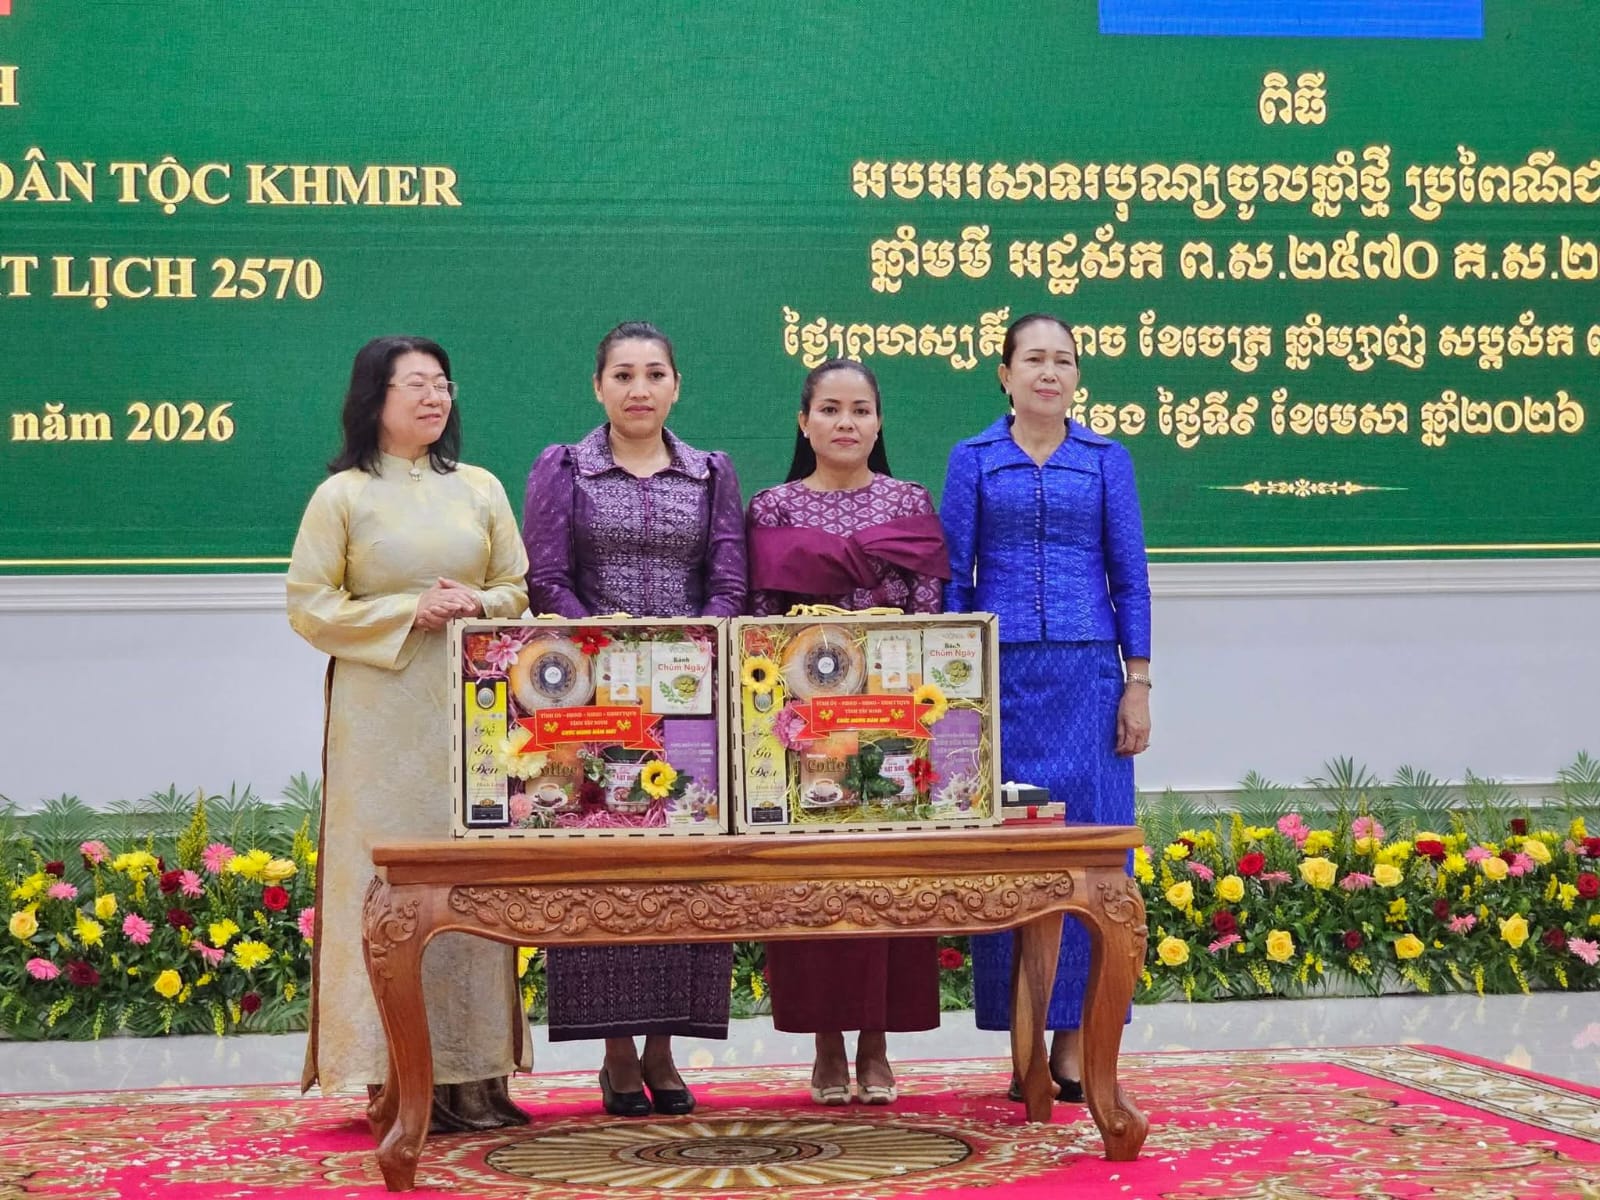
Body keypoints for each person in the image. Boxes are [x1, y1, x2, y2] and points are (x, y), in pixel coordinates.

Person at [287, 335, 532, 1131]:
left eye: (442, 385)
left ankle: (477, 1075)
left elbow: (516, 588)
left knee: (474, 878)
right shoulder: (343, 496)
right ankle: (387, 1076)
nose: (434, 398)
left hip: (474, 706)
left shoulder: (481, 487)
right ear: (375, 398)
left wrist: (477, 604)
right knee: (386, 887)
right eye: (416, 385)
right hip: (380, 713)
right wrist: (408, 609)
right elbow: (310, 606)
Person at [522, 321, 746, 1117]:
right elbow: (547, 579)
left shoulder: (711, 472)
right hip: (590, 701)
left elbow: (730, 582)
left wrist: (687, 655)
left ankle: (665, 1048)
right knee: (606, 870)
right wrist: (609, 654)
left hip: (690, 700)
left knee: (688, 872)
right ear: (598, 387)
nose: (639, 388)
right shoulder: (564, 467)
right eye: (623, 374)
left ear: (677, 386)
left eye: (655, 374)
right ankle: (617, 1051)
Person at [940, 312, 1152, 1102]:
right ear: (1005, 374)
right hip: (998, 681)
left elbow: (1129, 576)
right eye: (1034, 359)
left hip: (1089, 680)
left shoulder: (1105, 460)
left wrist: (1138, 682)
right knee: (1012, 860)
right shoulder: (973, 459)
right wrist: (957, 686)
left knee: (1091, 863)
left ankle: (1075, 1044)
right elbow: (953, 578)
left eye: (1063, 360)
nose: (1049, 373)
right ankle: (1023, 1041)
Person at [747, 358, 949, 1106]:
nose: (845, 423)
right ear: (804, 423)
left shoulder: (909, 500)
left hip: (893, 727)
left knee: (886, 879)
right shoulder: (772, 508)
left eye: (860, 410)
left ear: (878, 422)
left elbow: (931, 616)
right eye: (829, 409)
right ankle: (827, 1042)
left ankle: (877, 1042)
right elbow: (760, 624)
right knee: (814, 881)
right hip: (803, 731)